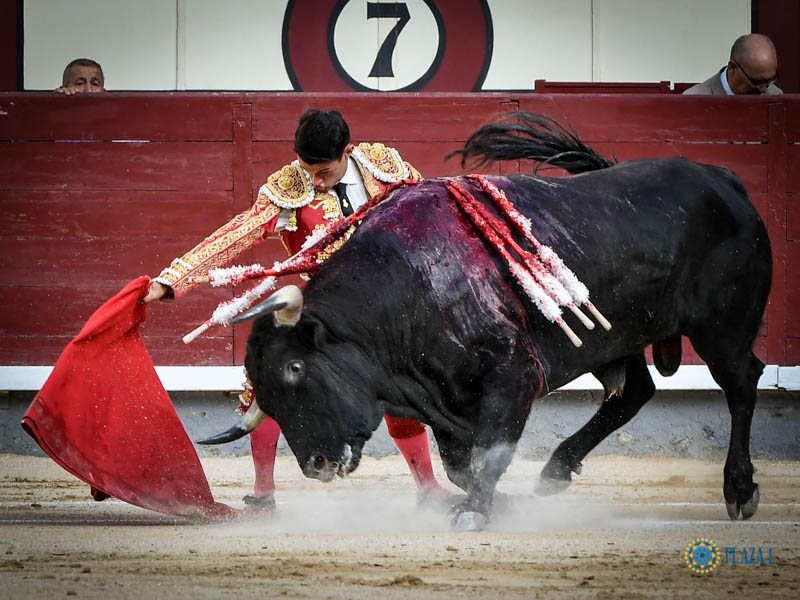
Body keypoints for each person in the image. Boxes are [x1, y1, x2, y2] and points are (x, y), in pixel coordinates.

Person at [144, 109, 451, 510]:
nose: (315, 181)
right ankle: (263, 494)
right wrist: (172, 280)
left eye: (323, 171)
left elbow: (434, 212)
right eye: (308, 170)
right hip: (325, 312)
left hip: (387, 309)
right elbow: (234, 235)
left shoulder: (386, 169)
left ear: (348, 152)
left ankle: (428, 488)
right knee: (267, 381)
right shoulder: (289, 190)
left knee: (399, 390)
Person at [683, 33, 782, 96]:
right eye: (757, 81)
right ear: (732, 67)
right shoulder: (694, 100)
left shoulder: (775, 96)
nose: (764, 89)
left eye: (770, 80)